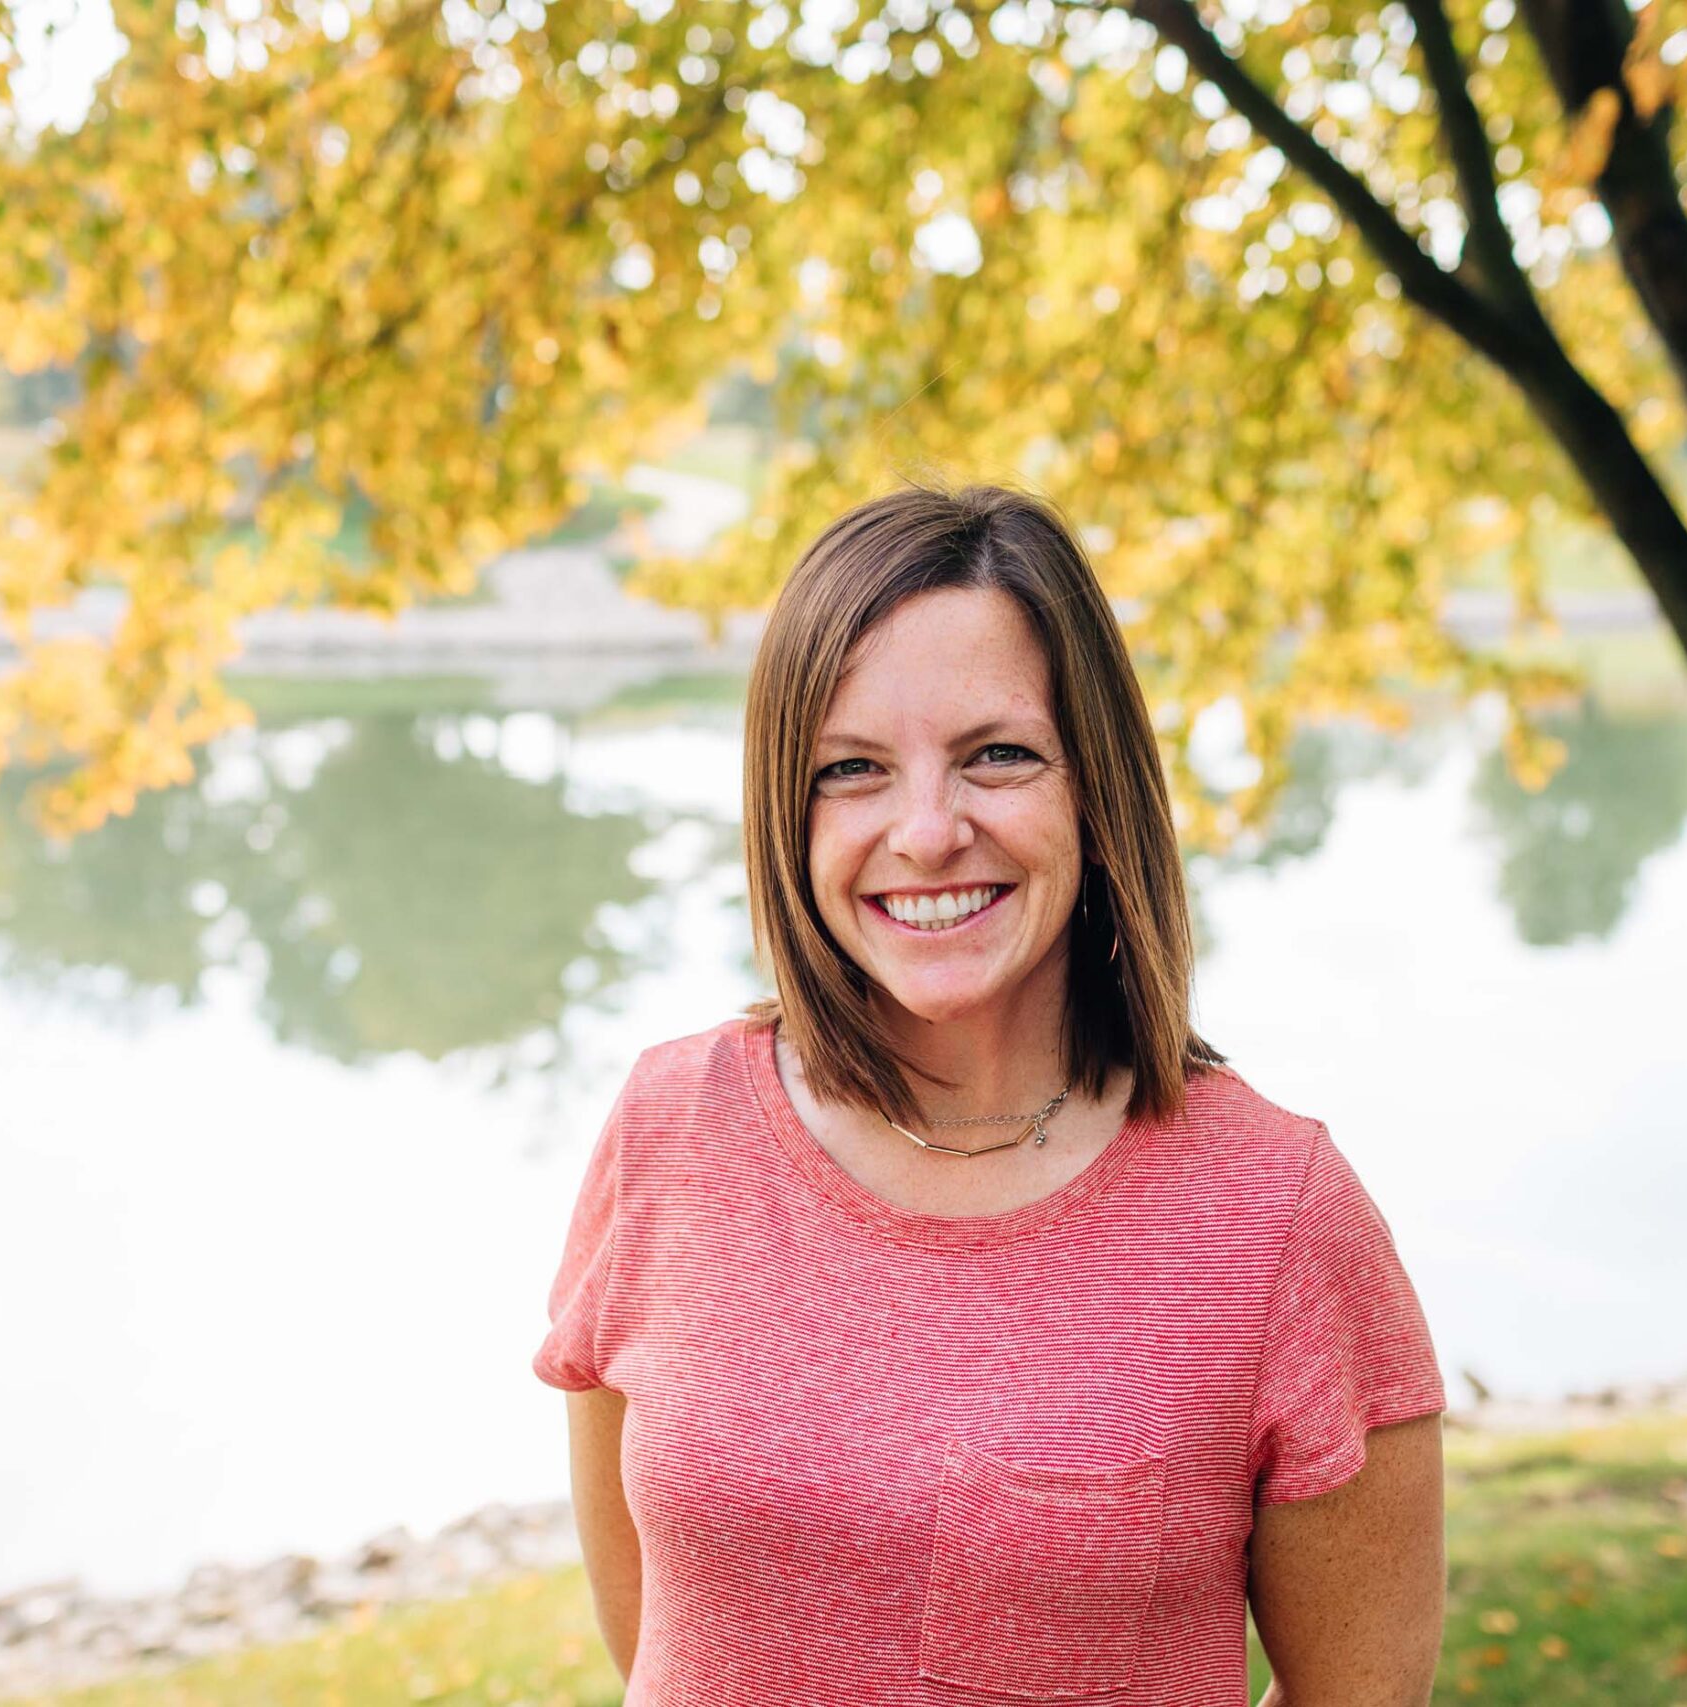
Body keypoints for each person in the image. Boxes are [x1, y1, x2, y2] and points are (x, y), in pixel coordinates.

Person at [532, 480, 1448, 1703]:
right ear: (784, 813)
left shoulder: (1278, 1214)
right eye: (850, 769)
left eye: (997, 755)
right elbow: (652, 1637)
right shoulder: (670, 1127)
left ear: (1097, 784)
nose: (924, 832)